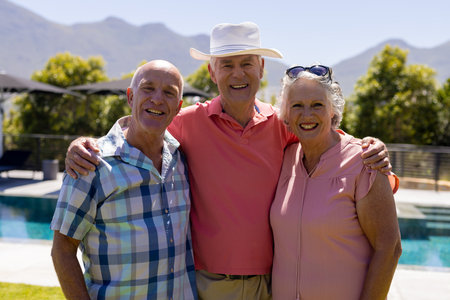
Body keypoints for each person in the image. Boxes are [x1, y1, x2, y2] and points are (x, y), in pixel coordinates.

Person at [64, 23, 394, 300]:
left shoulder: (282, 126)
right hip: (207, 284)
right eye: (227, 64)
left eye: (247, 63)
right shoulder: (187, 122)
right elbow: (144, 121)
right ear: (212, 72)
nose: (238, 73)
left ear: (261, 69)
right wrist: (86, 144)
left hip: (269, 285)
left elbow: (325, 136)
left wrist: (371, 152)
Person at [51, 60, 197, 300]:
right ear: (131, 96)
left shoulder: (182, 160)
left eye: (169, 93)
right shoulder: (91, 164)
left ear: (179, 107)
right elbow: (62, 249)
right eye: (148, 88)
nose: (158, 99)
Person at [270, 65, 402, 300]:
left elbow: (389, 248)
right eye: (297, 106)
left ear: (333, 110)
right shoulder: (285, 158)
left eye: (317, 105)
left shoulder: (365, 162)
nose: (307, 114)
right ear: (286, 115)